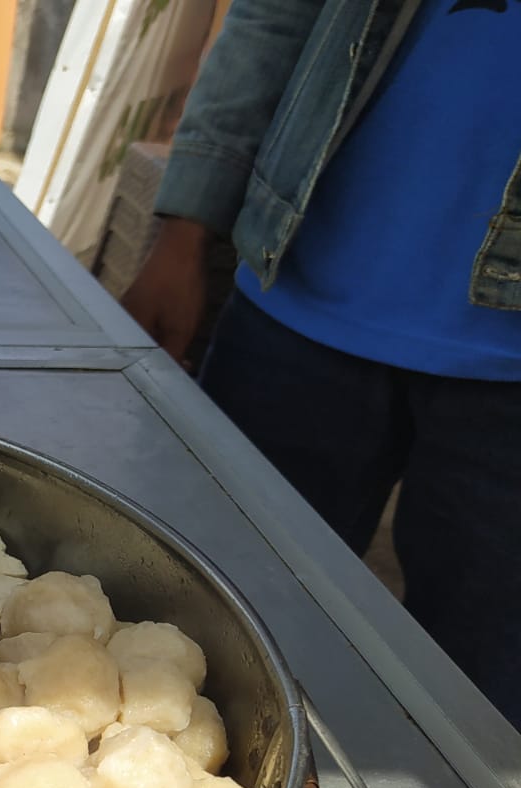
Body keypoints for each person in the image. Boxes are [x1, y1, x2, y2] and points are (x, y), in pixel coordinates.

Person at [123, 0, 521, 729]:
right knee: (185, 651)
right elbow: (273, 18)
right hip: (300, 295)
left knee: (482, 715)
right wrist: (185, 229)